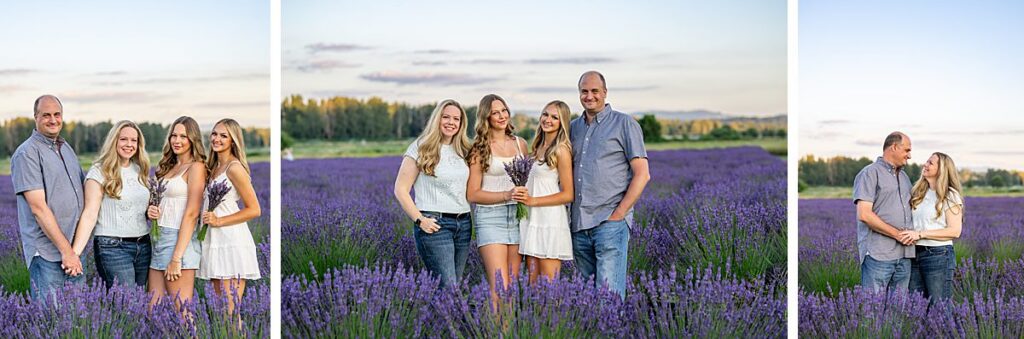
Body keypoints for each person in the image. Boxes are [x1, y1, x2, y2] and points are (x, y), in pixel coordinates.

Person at [569, 71, 650, 299]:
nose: (589, 96)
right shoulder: (573, 127)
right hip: (578, 225)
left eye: (595, 91)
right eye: (584, 91)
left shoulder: (624, 124)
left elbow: (642, 174)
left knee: (608, 299)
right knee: (586, 300)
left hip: (609, 222)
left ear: (605, 92)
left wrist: (620, 213)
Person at [12, 95, 86, 301]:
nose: (53, 120)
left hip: (74, 249)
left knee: (76, 321)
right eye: (46, 115)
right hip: (48, 254)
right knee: (51, 321)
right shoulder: (27, 153)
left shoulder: (66, 148)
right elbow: (38, 208)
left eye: (57, 114)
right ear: (35, 117)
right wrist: (67, 252)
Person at [394, 99, 473, 288]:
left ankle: (440, 318)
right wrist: (420, 220)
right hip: (435, 225)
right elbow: (400, 189)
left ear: (462, 124)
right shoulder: (421, 147)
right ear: (437, 119)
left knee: (453, 287)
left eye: (456, 119)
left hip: (463, 224)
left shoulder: (464, 150)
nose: (451, 122)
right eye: (446, 117)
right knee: (448, 287)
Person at [70, 121, 152, 289]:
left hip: (143, 245)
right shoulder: (99, 171)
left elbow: (139, 208)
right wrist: (75, 253)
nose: (129, 144)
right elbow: (89, 214)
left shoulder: (140, 170)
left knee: (139, 303)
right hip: (113, 247)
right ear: (114, 141)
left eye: (134, 140)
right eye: (123, 139)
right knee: (127, 303)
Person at [199, 118, 263, 316]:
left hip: (230, 241)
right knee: (221, 311)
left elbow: (254, 209)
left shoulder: (234, 168)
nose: (217, 139)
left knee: (230, 312)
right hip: (214, 240)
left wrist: (219, 221)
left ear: (233, 141)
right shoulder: (214, 166)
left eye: (223, 135)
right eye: (215, 134)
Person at [467, 94, 528, 298]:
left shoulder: (521, 144)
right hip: (491, 218)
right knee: (499, 286)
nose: (502, 116)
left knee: (512, 286)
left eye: (504, 110)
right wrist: (507, 194)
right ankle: (496, 331)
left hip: (518, 217)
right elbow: (473, 193)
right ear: (486, 118)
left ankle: (509, 331)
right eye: (495, 113)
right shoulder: (479, 148)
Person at [147, 116, 207, 310]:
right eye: (174, 135)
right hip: (158, 238)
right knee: (152, 308)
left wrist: (176, 258)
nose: (177, 140)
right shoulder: (168, 167)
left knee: (181, 312)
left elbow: (192, 213)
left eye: (183, 136)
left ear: (193, 140)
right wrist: (152, 210)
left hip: (179, 241)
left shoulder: (196, 167)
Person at [512, 100, 575, 284]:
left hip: (549, 220)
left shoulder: (561, 150)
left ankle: (554, 314)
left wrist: (532, 201)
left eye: (554, 117)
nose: (548, 120)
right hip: (532, 219)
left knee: (549, 286)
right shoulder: (536, 147)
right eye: (545, 114)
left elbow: (568, 194)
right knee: (533, 283)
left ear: (562, 122)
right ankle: (533, 314)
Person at [854, 131, 916, 294]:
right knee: (872, 310)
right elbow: (864, 214)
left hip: (904, 257)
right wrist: (897, 234)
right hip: (879, 256)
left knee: (898, 313)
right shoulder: (870, 173)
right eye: (907, 150)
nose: (909, 156)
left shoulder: (904, 177)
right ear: (894, 147)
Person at [898, 152, 963, 303]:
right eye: (926, 161)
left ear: (942, 170)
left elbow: (955, 231)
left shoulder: (950, 195)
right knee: (917, 307)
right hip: (914, 254)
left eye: (930, 163)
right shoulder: (918, 192)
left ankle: (943, 329)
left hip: (938, 255)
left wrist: (920, 234)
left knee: (939, 307)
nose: (925, 165)